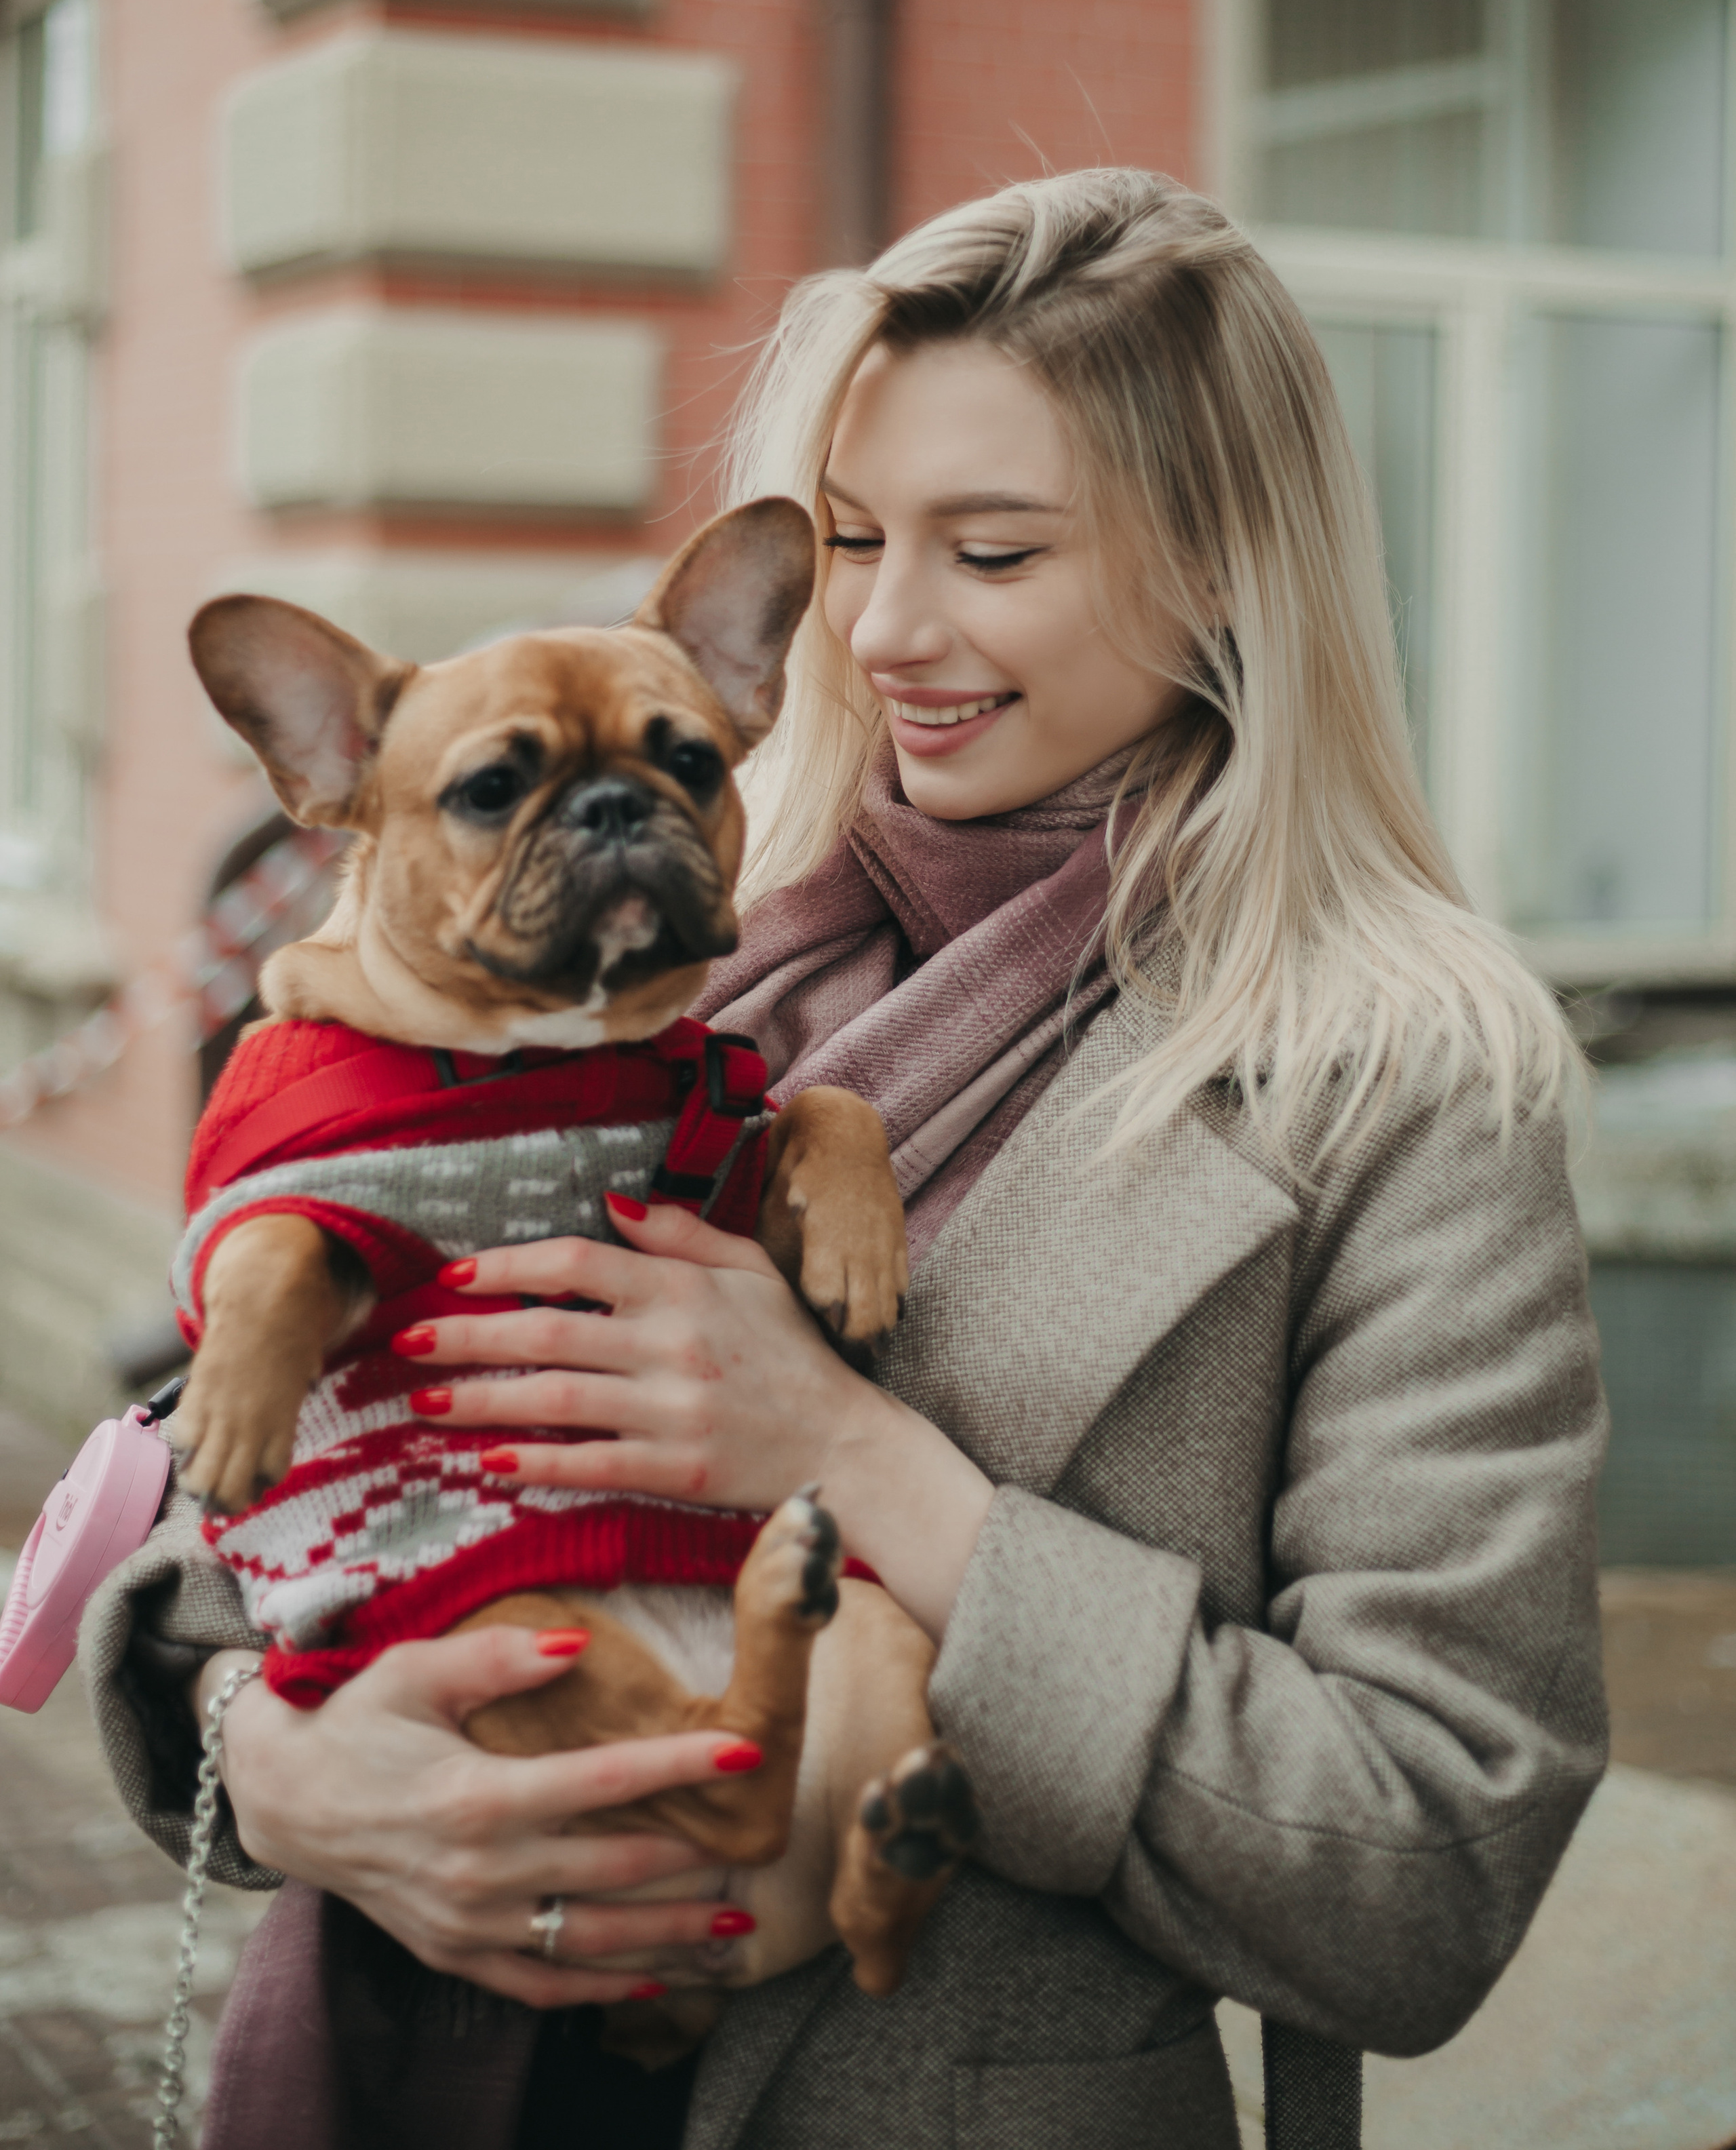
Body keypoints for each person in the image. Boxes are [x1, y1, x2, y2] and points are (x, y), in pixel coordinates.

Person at [83, 170, 1606, 2150]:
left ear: (1229, 563)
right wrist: (271, 1763)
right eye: (859, 541)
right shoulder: (641, 956)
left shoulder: (1408, 1081)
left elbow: (1422, 1869)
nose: (885, 630)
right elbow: (252, 1511)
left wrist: (862, 1465)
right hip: (409, 2080)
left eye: (991, 552)